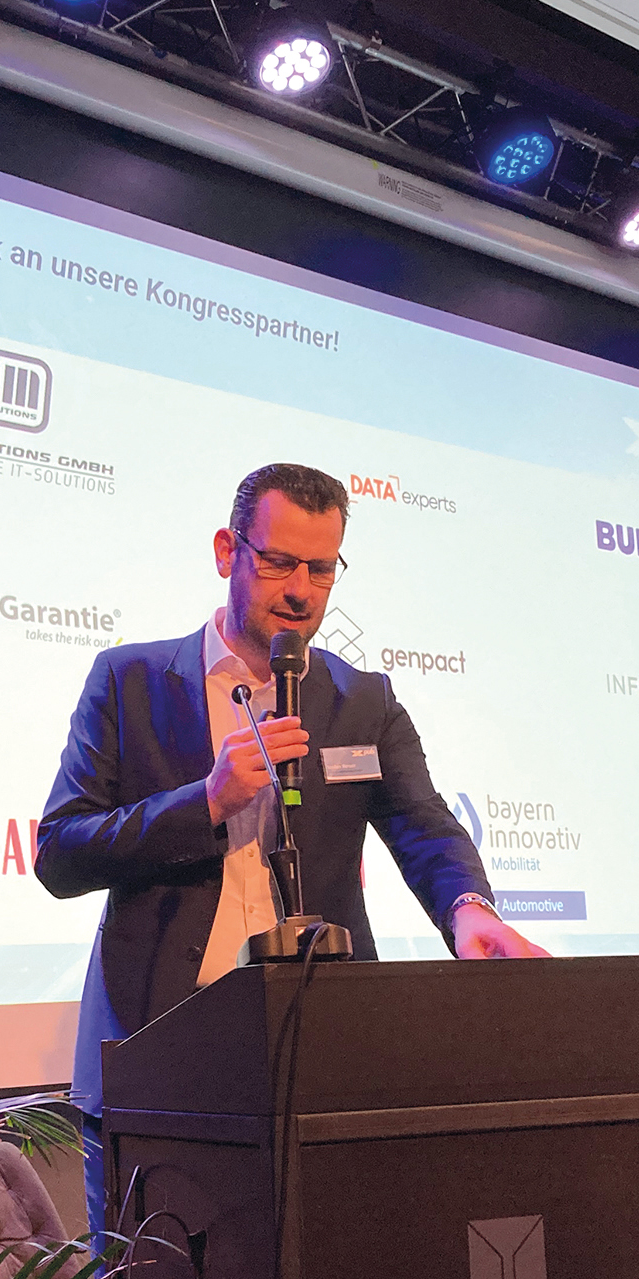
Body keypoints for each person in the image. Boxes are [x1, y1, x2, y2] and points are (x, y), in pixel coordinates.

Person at [36, 461, 547, 1228]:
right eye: (279, 562)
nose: (302, 590)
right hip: (155, 1056)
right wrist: (206, 802)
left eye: (321, 569)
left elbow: (424, 822)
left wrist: (469, 908)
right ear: (227, 552)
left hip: (320, 1055)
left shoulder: (361, 700)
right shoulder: (129, 681)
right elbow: (60, 850)